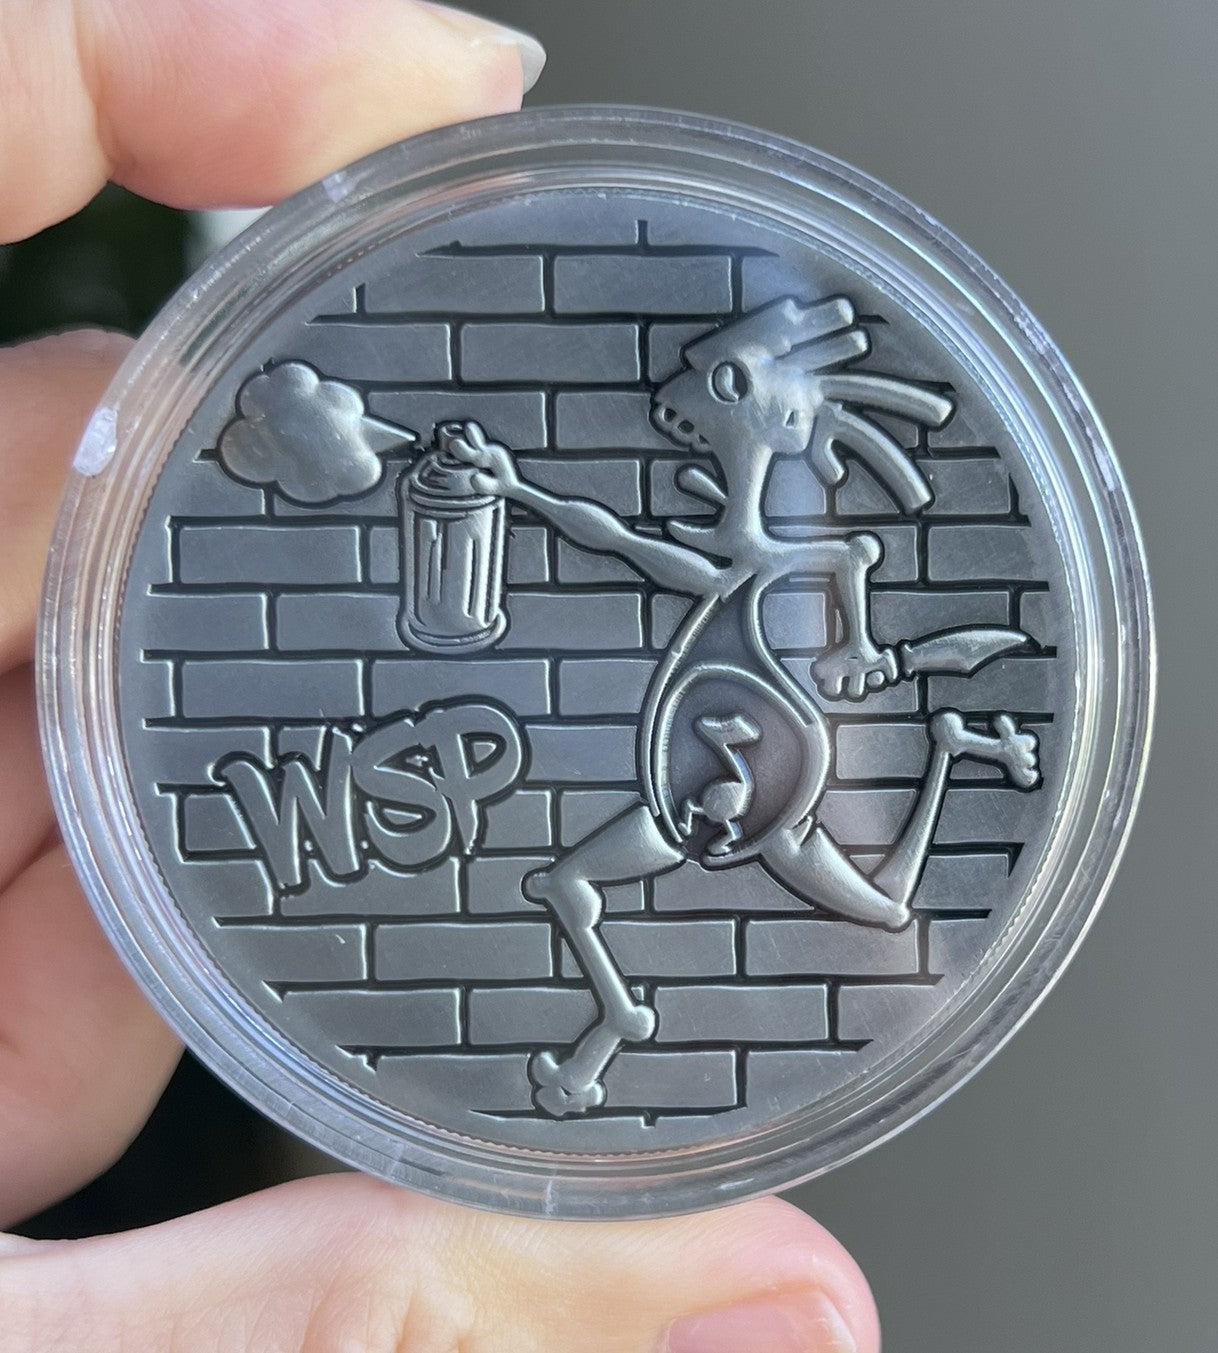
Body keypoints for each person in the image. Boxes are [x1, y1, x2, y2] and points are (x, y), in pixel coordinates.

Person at [0, 4, 879, 1349]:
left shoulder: (766, 552)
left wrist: (843, 649)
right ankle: (618, 1019)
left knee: (684, 888)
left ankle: (623, 1017)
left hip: (737, 775)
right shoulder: (737, 543)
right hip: (707, 771)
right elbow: (638, 542)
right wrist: (520, 488)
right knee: (579, 885)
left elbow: (763, 558)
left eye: (721, 394)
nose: (691, 412)